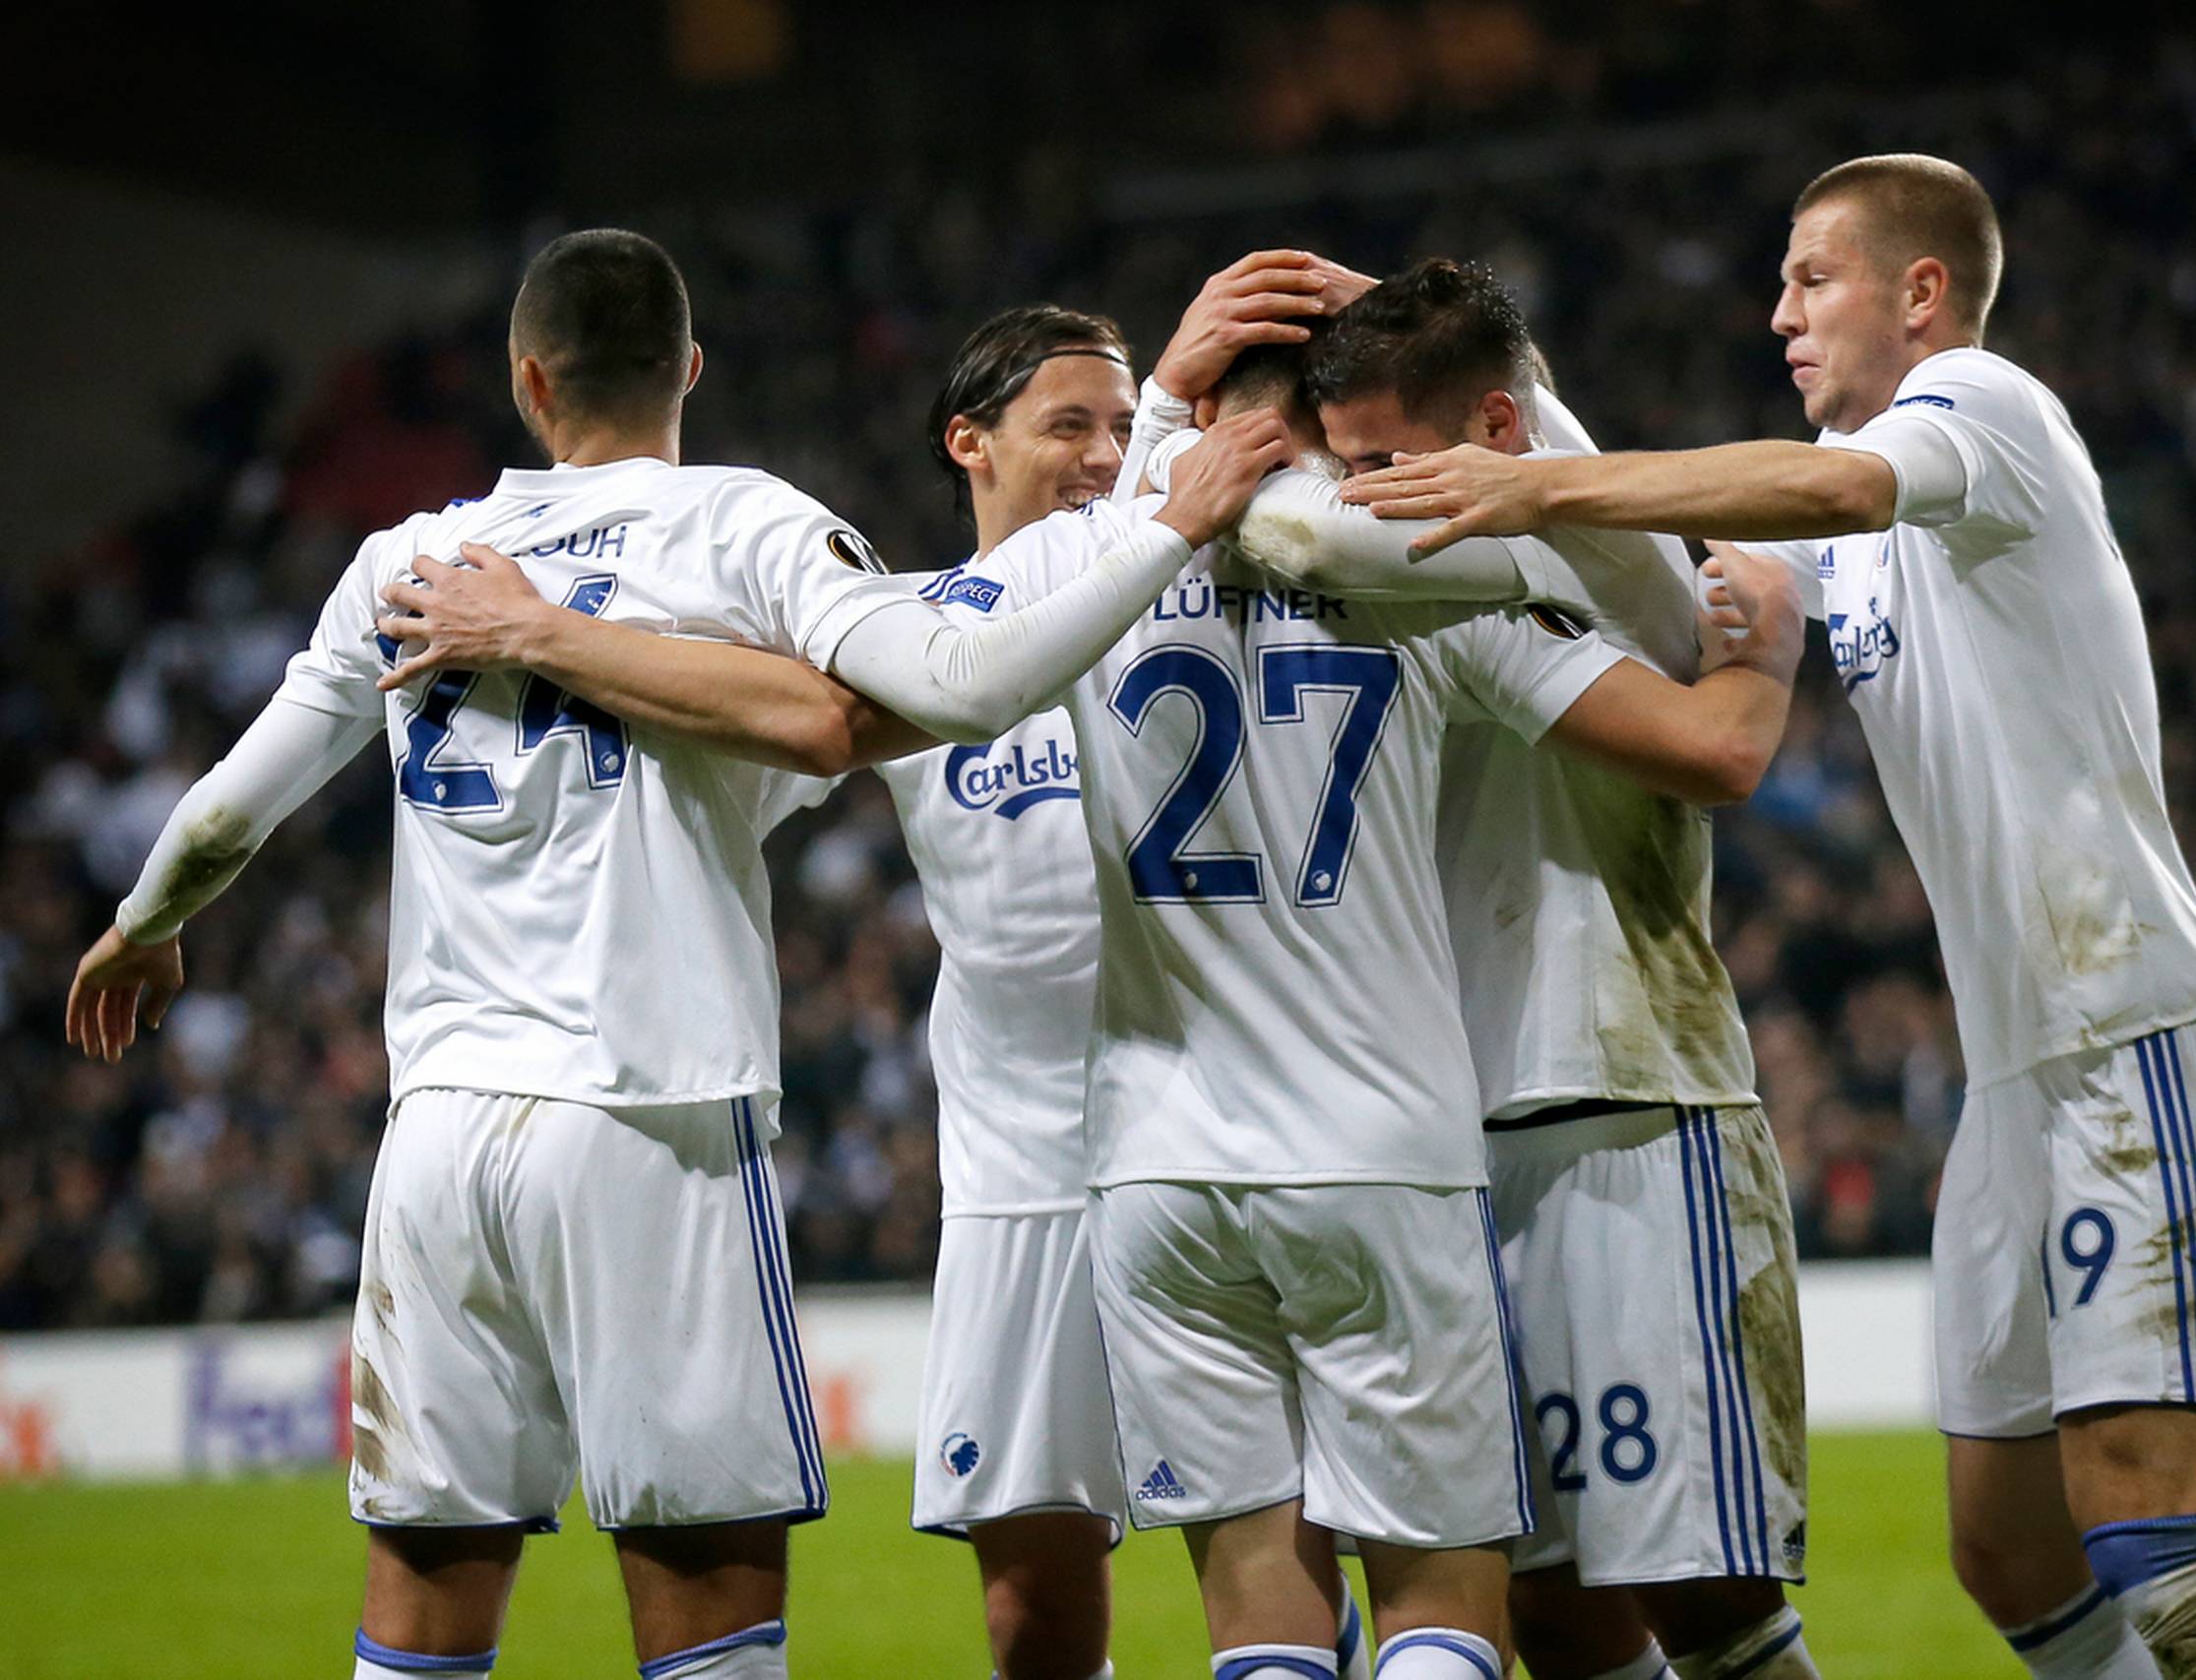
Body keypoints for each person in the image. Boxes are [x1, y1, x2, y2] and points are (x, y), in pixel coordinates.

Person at [63, 227, 1286, 1680]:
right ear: (690, 368)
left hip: (440, 1138)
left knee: (428, 1588)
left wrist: (147, 924)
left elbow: (222, 811)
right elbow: (926, 691)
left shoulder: (408, 560)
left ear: (530, 380)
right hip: (651, 1113)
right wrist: (1163, 518)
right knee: (706, 1598)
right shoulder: (743, 527)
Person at [1340, 155, 2196, 1680]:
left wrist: (1524, 475)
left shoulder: (1984, 409)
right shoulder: (1847, 515)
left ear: (1920, 292)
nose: (1778, 310)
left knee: (2153, 1539)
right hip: (2019, 1081)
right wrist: (1463, 369)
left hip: (2135, 1032)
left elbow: (1818, 484)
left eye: (1811, 277)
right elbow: (1662, 560)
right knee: (2006, 1550)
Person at [367, 264, 1376, 1680]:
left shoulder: (1197, 588)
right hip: (1022, 1167)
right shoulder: (901, 635)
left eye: (1120, 426)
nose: (1102, 456)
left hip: (1219, 1125)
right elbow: (766, 758)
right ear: (968, 441)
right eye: (1070, 425)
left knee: (1271, 1543)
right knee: (1032, 1605)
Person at [939, 341, 1807, 1680]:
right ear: (1330, 443)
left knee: (1265, 1623)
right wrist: (1763, 654)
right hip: (1380, 1149)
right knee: (1444, 1605)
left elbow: (932, 678)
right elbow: (1705, 750)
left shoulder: (1081, 570)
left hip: (1156, 1171)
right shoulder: (1434, 587)